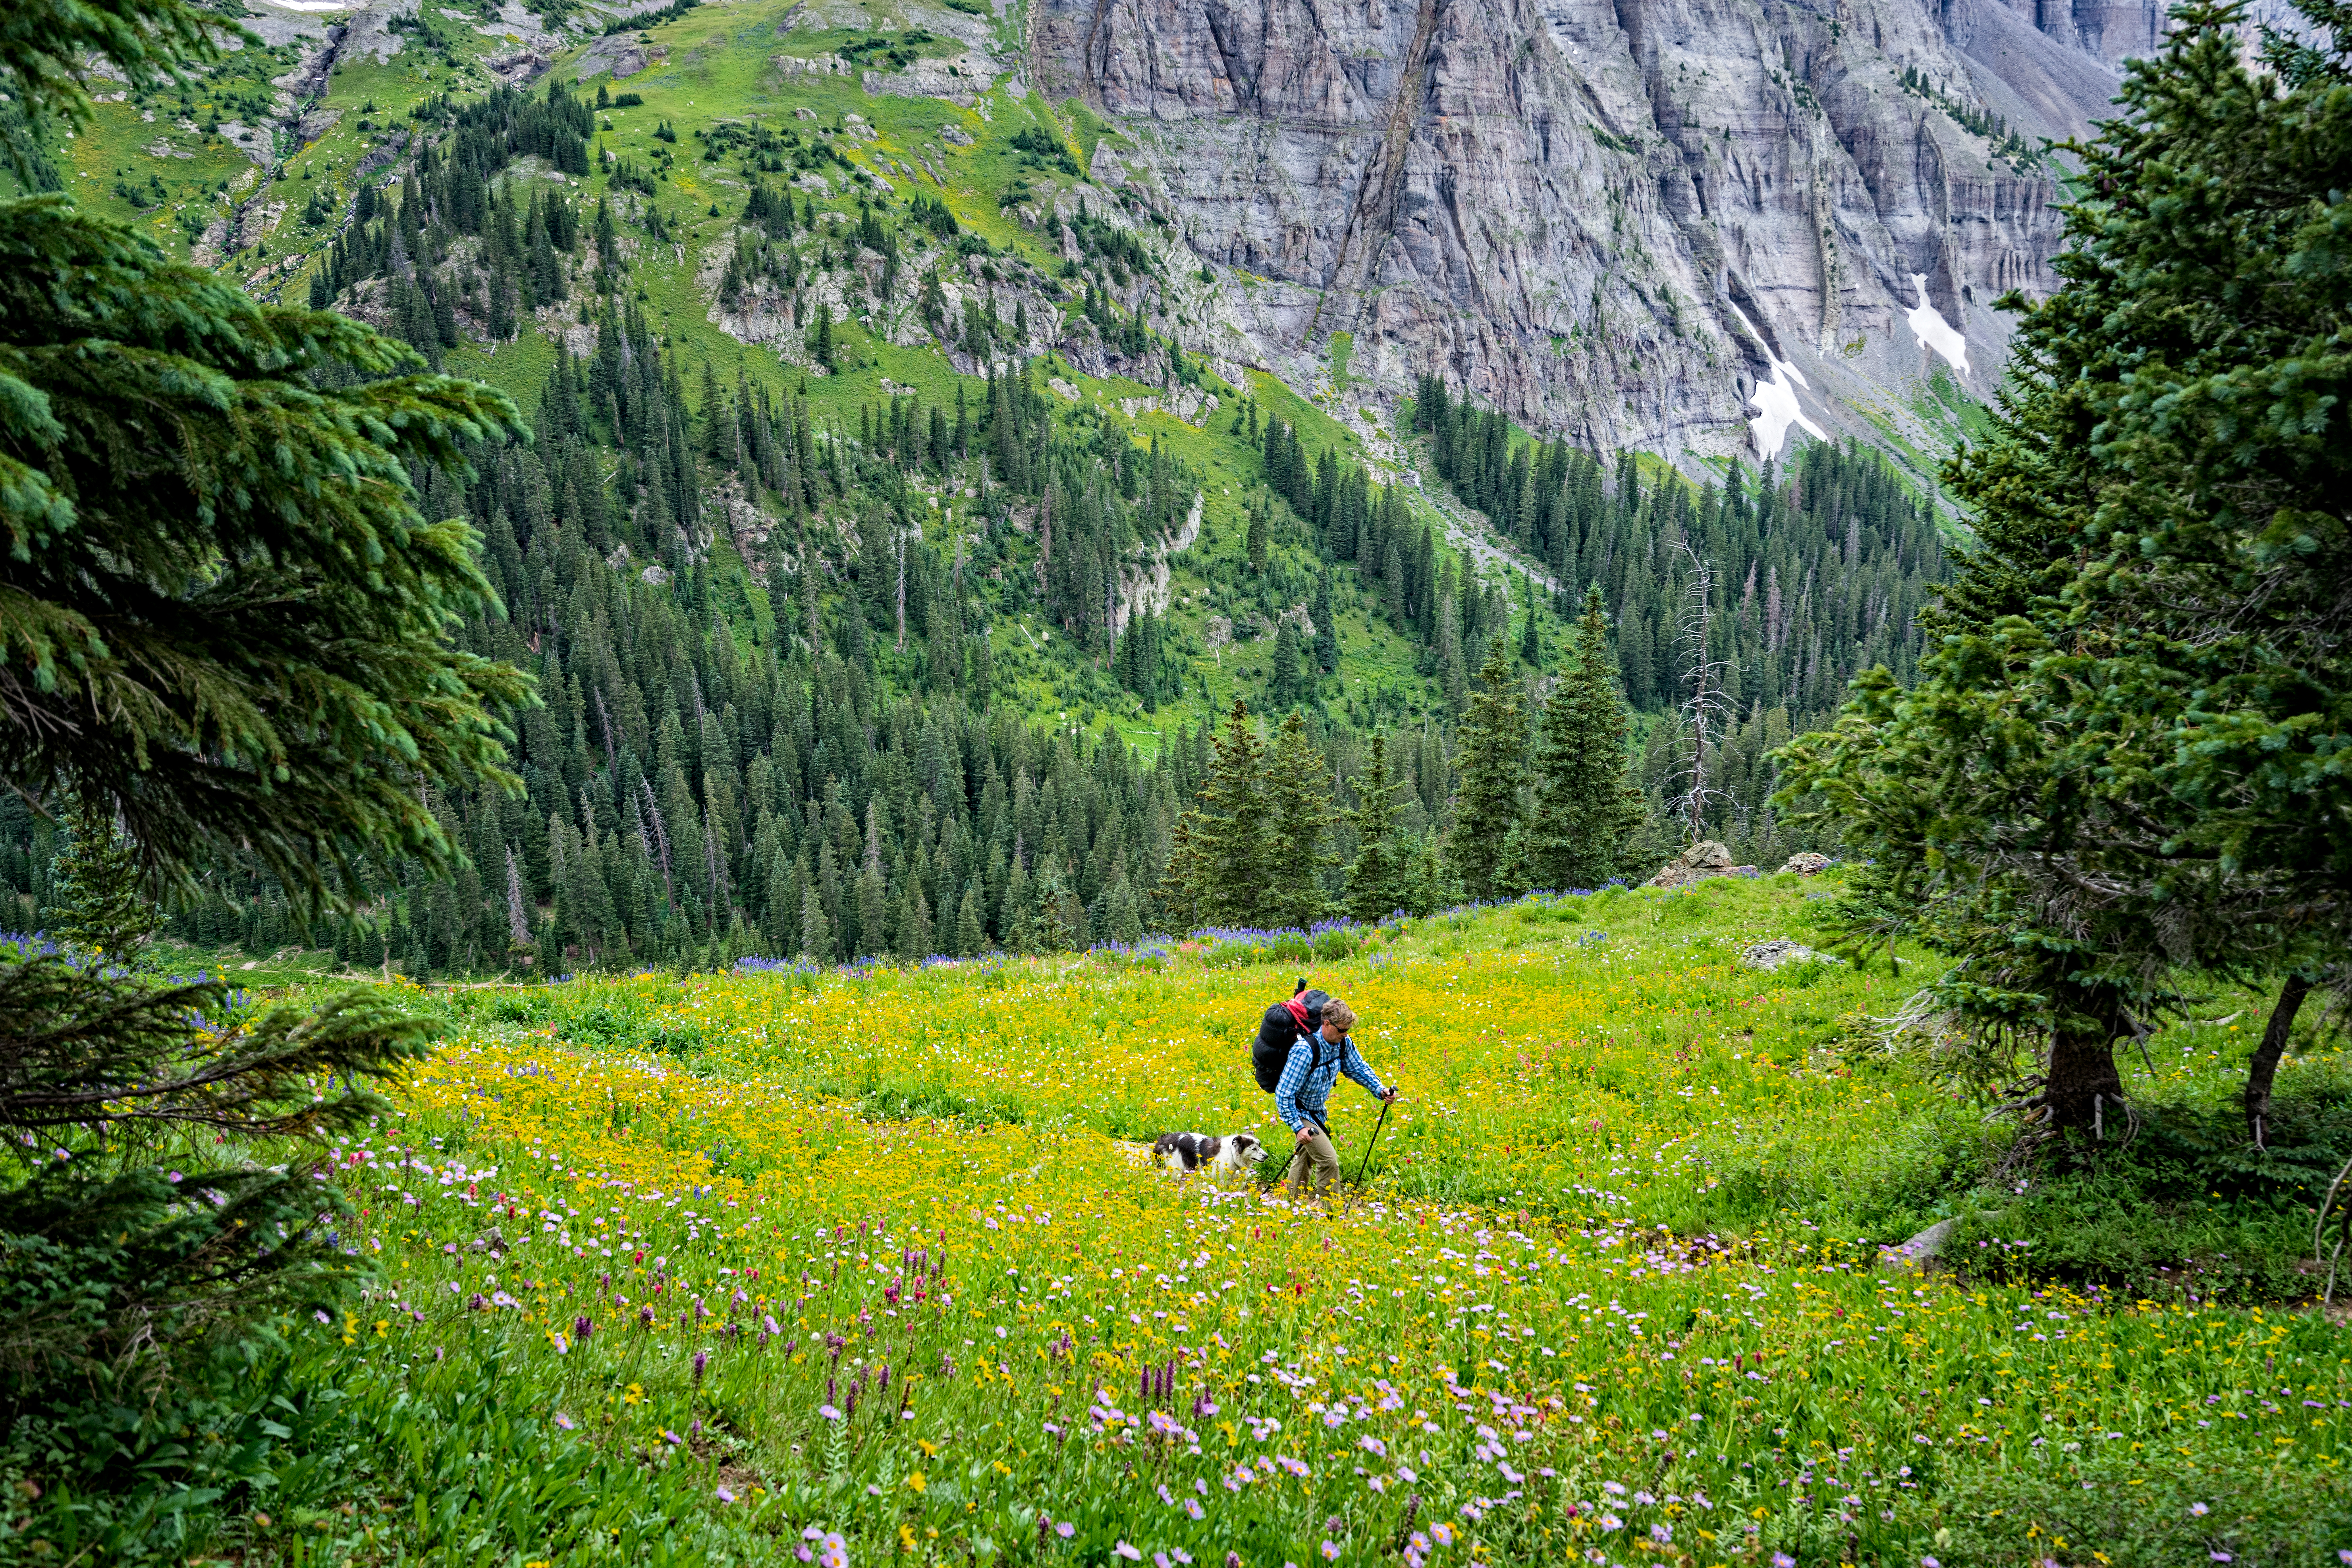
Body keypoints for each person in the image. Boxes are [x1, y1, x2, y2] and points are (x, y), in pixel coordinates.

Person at [1272, 999, 1399, 1198]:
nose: (1345, 1035)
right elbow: (1284, 1094)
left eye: (1348, 1030)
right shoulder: (1304, 1052)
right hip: (1299, 1112)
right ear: (1327, 1024)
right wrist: (1298, 1127)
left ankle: (1290, 1207)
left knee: (1304, 1159)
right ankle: (1331, 1214)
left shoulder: (1343, 1044)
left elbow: (1358, 1068)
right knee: (1328, 1160)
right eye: (1342, 1030)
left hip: (1318, 1113)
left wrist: (1380, 1089)